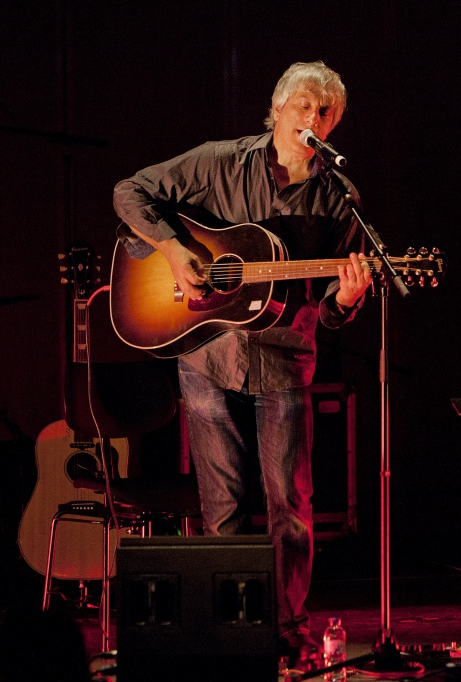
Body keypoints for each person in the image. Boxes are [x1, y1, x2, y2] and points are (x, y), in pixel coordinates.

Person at [112, 60, 372, 665]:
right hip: (206, 352)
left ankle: (286, 629)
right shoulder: (220, 161)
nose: (313, 118)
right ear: (278, 107)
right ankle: (231, 633)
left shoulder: (341, 199)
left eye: (325, 112)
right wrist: (175, 251)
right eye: (304, 105)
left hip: (284, 358)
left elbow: (331, 312)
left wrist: (347, 299)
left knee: (291, 506)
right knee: (221, 506)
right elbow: (129, 191)